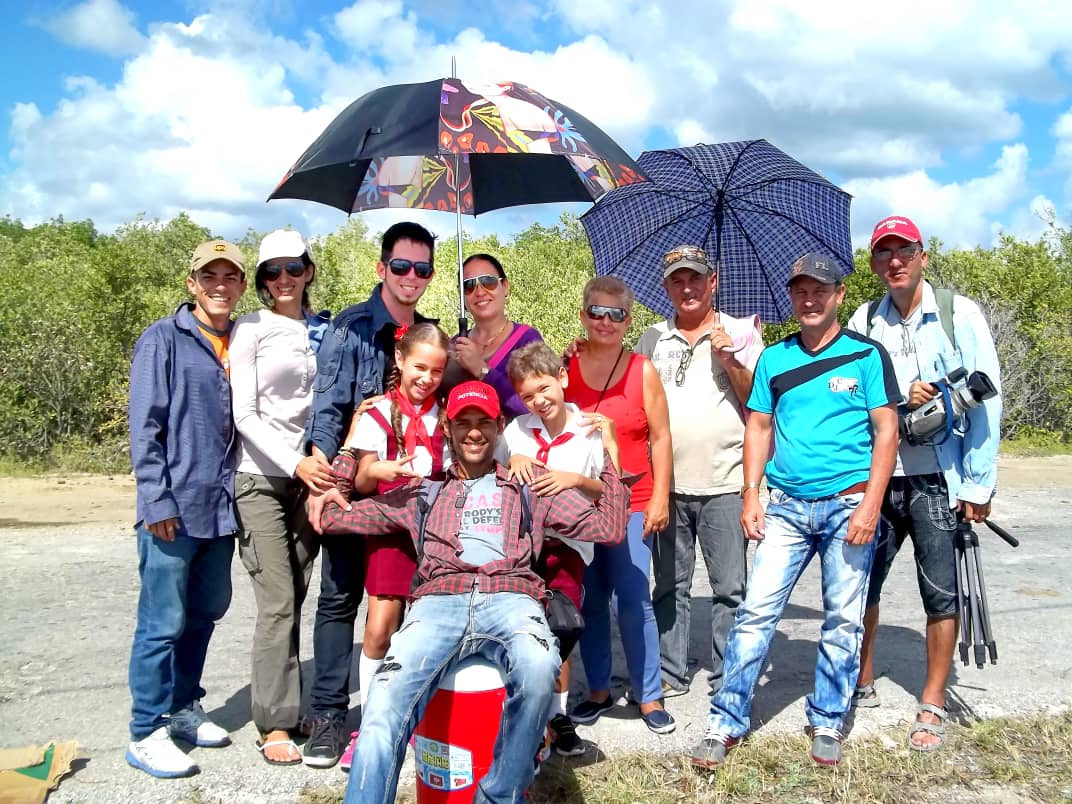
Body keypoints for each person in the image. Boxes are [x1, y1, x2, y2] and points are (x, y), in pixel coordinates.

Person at [320, 380, 631, 803]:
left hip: (512, 599)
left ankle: (498, 795)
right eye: (462, 422)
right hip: (436, 605)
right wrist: (350, 445)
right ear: (447, 429)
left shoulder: (529, 489)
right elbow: (333, 517)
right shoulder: (422, 493)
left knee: (541, 669)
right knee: (382, 704)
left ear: (499, 426)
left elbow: (609, 528)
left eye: (483, 422)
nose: (473, 432)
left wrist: (609, 449)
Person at [691, 253, 899, 769]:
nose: (809, 300)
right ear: (791, 296)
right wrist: (750, 493)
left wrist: (871, 505)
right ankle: (725, 721)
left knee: (843, 620)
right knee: (755, 613)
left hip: (849, 505)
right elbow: (758, 426)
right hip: (785, 506)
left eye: (820, 291)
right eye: (801, 291)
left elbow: (886, 431)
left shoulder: (866, 356)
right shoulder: (775, 360)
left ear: (839, 296)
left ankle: (827, 719)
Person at [847, 216, 1002, 751]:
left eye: (904, 251)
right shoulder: (865, 320)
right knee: (861, 581)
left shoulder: (959, 315)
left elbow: (989, 400)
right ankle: (860, 679)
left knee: (940, 591)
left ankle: (932, 703)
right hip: (881, 477)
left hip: (941, 477)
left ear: (922, 257)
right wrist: (895, 399)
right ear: (873, 263)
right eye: (883, 252)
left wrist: (978, 486)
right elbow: (851, 399)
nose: (894, 261)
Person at [302, 221, 438, 768]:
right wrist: (321, 480)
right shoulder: (351, 328)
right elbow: (328, 410)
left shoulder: (429, 334)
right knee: (339, 597)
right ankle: (330, 716)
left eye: (422, 268)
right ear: (382, 269)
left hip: (407, 501)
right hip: (351, 486)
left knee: (398, 603)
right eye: (401, 266)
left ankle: (396, 709)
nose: (412, 277)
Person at [125, 240, 247, 778]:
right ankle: (145, 730)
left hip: (220, 509)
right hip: (172, 509)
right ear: (192, 283)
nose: (220, 285)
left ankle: (182, 709)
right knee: (161, 623)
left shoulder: (241, 342)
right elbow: (144, 427)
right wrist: (156, 499)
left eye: (230, 276)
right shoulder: (163, 340)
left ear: (243, 284)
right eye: (210, 276)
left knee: (204, 614)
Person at [636, 245, 762, 699]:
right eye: (677, 280)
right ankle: (671, 670)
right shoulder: (652, 338)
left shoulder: (742, 333)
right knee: (670, 586)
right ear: (666, 286)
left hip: (726, 481)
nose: (686, 287)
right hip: (666, 484)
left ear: (713, 281)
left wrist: (731, 360)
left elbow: (759, 406)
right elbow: (634, 403)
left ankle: (728, 672)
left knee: (731, 587)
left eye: (696, 278)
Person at [229, 229, 333, 766]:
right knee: (276, 602)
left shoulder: (324, 329)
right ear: (262, 282)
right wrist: (294, 462)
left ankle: (289, 709)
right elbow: (243, 414)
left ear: (308, 270)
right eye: (271, 272)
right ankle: (273, 722)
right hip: (261, 477)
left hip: (309, 479)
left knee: (296, 592)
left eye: (293, 268)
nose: (283, 280)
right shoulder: (251, 328)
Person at [565, 276, 676, 734]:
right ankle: (597, 690)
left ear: (629, 320)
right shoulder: (565, 364)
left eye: (617, 314)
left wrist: (662, 497)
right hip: (581, 502)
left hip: (634, 499)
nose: (605, 321)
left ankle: (649, 695)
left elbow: (662, 436)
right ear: (583, 314)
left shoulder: (642, 369)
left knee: (633, 598)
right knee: (588, 600)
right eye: (597, 311)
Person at [338, 322, 451, 769]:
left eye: (437, 371)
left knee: (427, 628)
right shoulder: (378, 412)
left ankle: (421, 720)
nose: (426, 377)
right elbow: (361, 478)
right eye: (419, 367)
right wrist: (380, 471)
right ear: (400, 361)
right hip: (389, 528)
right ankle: (372, 725)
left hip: (436, 534)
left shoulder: (446, 412)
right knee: (380, 627)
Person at [503, 341, 617, 758]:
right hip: (520, 546)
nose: (538, 401)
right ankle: (524, 711)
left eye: (544, 389)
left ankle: (556, 713)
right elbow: (495, 473)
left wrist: (574, 479)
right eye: (528, 395)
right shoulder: (516, 430)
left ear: (563, 378)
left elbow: (608, 487)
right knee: (524, 626)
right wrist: (514, 457)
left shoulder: (589, 429)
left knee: (561, 624)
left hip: (568, 544)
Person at [450, 253, 543, 419]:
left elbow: (537, 408)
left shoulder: (528, 341)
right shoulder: (453, 345)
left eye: (488, 282)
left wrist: (482, 370)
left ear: (505, 286)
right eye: (469, 286)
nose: (479, 292)